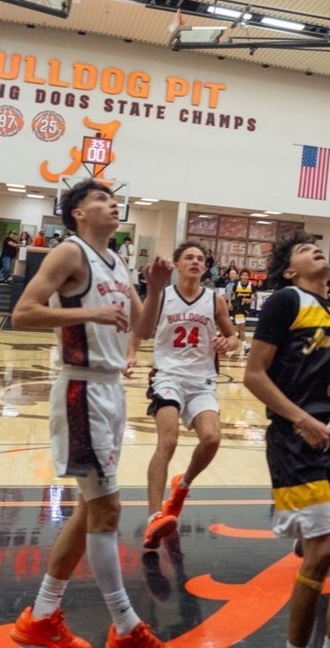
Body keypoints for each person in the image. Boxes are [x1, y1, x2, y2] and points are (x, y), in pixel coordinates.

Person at [9, 179, 163, 648]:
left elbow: (144, 326)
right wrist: (88, 315)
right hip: (81, 389)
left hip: (111, 391)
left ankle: (42, 615)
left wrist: (154, 290)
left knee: (91, 507)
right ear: (77, 213)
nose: (112, 205)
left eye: (115, 200)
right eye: (100, 199)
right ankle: (124, 624)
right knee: (107, 507)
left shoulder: (117, 260)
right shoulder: (69, 254)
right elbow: (24, 314)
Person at [244, 232, 330, 648]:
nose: (318, 250)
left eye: (319, 247)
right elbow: (254, 374)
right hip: (296, 437)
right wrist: (302, 420)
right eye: (303, 249)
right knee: (321, 553)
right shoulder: (286, 301)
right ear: (290, 270)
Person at [135, 241, 238, 551]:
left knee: (212, 439)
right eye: (188, 257)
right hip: (168, 376)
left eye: (200, 259)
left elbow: (235, 336)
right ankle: (155, 516)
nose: (195, 262)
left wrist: (227, 343)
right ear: (177, 266)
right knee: (168, 440)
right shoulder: (163, 295)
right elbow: (141, 329)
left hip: (201, 380)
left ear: (206, 268)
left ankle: (182, 485)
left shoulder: (215, 300)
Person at [231, 268, 255, 354]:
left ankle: (224, 334)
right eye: (243, 275)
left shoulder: (251, 286)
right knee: (241, 326)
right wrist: (230, 303)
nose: (245, 277)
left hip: (246, 309)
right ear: (240, 276)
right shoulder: (236, 285)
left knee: (241, 327)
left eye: (246, 275)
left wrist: (250, 300)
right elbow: (231, 294)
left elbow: (255, 296)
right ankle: (245, 346)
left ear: (248, 277)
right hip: (238, 307)